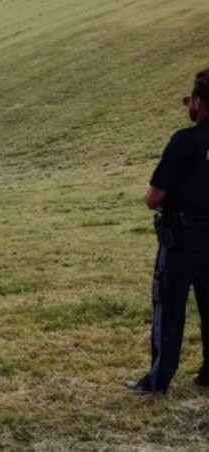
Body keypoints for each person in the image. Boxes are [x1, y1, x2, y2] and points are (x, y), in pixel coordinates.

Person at [126, 69, 209, 393]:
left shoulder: (184, 141)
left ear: (199, 102)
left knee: (169, 304)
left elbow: (153, 198)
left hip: (183, 238)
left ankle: (159, 378)